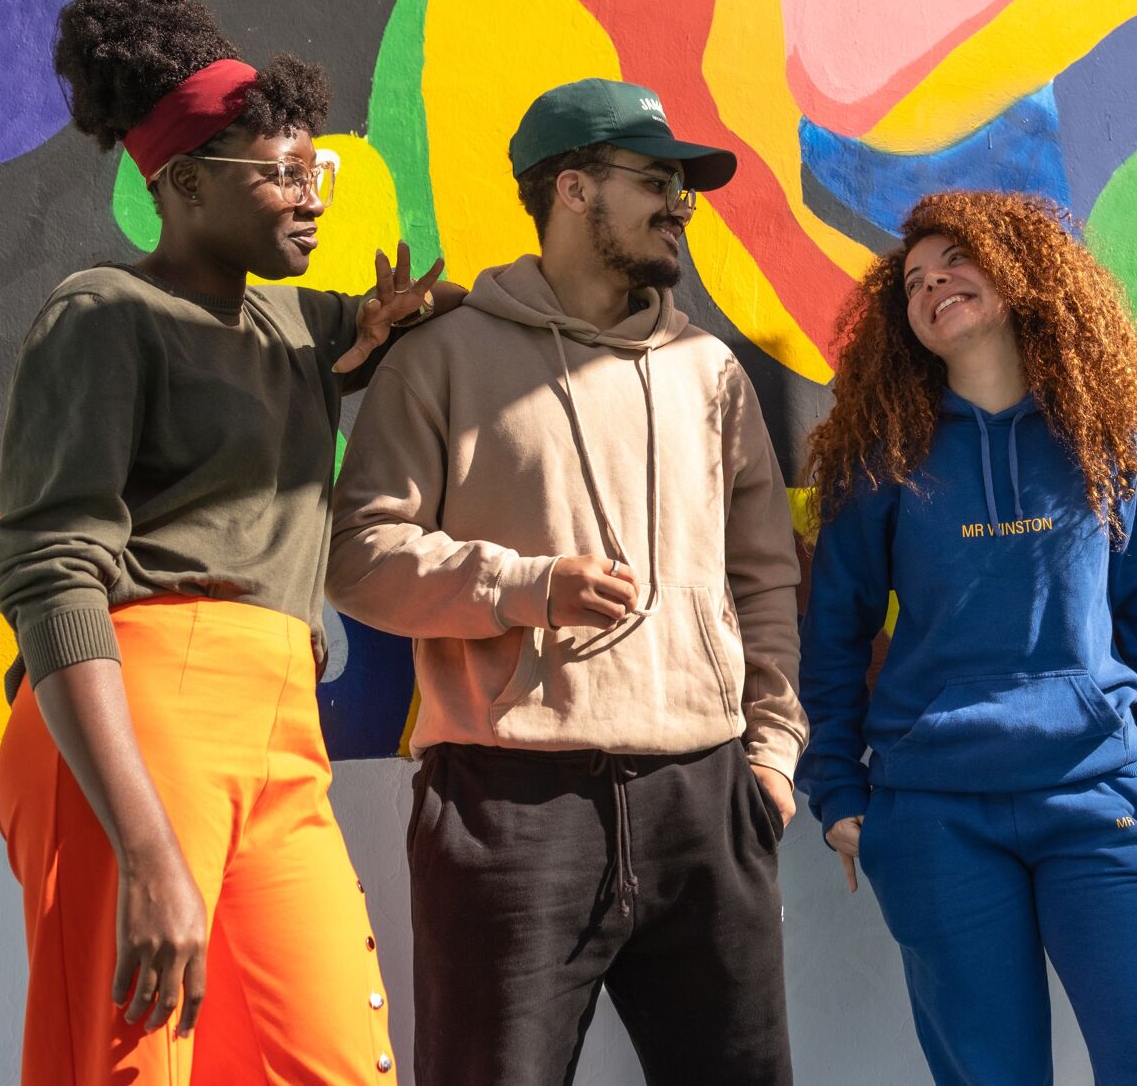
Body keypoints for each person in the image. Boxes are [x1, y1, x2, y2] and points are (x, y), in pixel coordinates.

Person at [0, 0, 454, 1085]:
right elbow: (53, 570)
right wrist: (143, 844)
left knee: (331, 1058)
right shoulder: (107, 313)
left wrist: (395, 325)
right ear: (187, 183)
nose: (312, 196)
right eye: (284, 172)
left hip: (279, 725)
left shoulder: (294, 325)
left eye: (317, 167)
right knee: (131, 1064)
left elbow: (425, 311)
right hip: (138, 712)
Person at [325, 78, 804, 1085]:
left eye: (683, 185)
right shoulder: (441, 358)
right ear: (573, 189)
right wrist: (522, 587)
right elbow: (359, 558)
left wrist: (769, 753)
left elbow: (763, 575)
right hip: (511, 808)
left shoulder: (709, 370)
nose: (680, 203)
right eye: (654, 180)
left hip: (705, 795)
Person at [797, 191, 1137, 1086]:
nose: (932, 283)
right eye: (913, 280)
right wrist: (837, 791)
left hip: (1098, 797)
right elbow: (834, 631)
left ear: (1021, 269)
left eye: (956, 259)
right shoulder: (884, 458)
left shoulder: (1109, 441)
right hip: (936, 811)